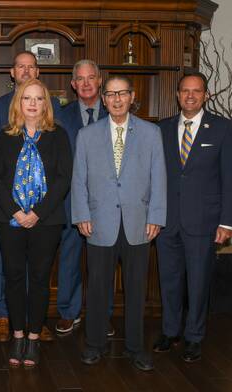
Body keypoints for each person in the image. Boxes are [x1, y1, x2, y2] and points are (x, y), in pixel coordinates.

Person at [71, 75, 166, 372]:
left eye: (122, 93)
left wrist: (156, 217)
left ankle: (136, 347)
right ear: (103, 98)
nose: (116, 99)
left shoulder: (151, 133)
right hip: (99, 222)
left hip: (139, 223)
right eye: (110, 94)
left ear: (132, 96)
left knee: (136, 289)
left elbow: (159, 177)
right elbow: (79, 180)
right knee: (98, 287)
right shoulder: (87, 135)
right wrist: (82, 214)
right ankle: (95, 344)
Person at [154, 72, 232, 362]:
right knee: (169, 279)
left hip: (204, 222)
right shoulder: (162, 129)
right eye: (185, 91)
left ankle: (194, 336)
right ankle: (170, 331)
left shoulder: (223, 128)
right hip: (166, 221)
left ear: (206, 95)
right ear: (177, 95)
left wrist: (227, 222)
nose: (190, 96)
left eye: (197, 91)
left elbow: (230, 178)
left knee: (199, 281)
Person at [0, 78, 72, 368]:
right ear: (18, 103)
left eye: (38, 98)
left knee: (39, 279)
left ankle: (34, 338)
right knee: (13, 277)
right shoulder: (4, 136)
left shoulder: (58, 136)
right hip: (9, 219)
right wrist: (15, 211)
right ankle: (18, 335)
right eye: (27, 98)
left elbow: (64, 179)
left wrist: (37, 212)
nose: (33, 103)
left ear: (45, 104)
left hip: (46, 221)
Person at [56, 60, 111, 335]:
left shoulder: (114, 114)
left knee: (103, 262)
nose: (87, 83)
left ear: (100, 81)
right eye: (81, 79)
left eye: (92, 78)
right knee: (69, 257)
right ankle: (68, 311)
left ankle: (102, 316)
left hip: (107, 202)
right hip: (69, 199)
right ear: (73, 84)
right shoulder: (61, 117)